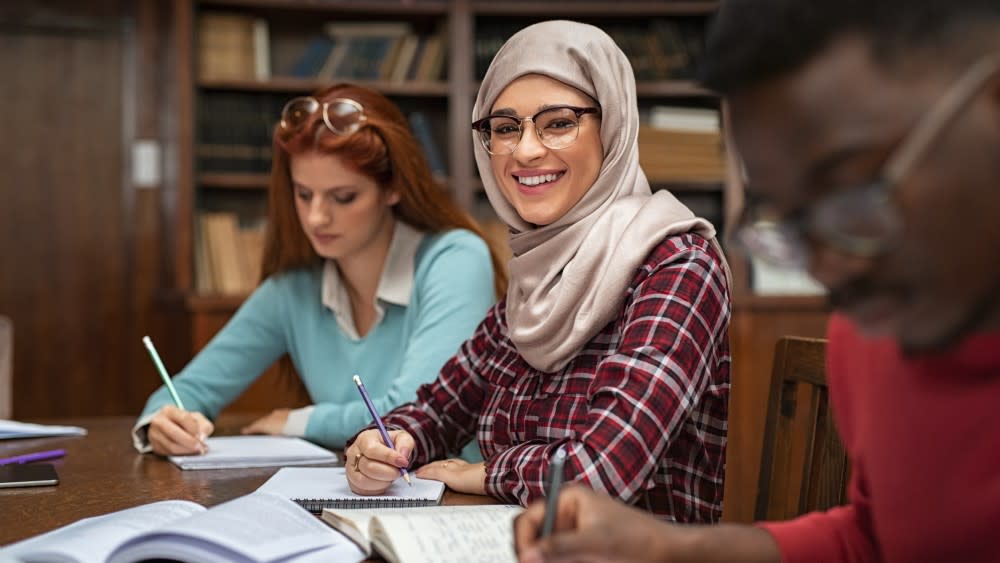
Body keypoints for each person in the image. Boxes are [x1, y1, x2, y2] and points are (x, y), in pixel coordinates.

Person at [513, 1, 1000, 562]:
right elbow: (876, 538)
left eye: (851, 192)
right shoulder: (869, 336)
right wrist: (670, 548)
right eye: (789, 222)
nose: (828, 270)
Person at [345, 20, 732, 523]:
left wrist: (486, 473)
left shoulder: (677, 267)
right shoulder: (536, 276)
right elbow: (440, 409)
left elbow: (603, 474)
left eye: (558, 122)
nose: (525, 150)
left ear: (612, 124)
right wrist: (386, 442)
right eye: (505, 128)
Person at [133, 83, 507, 457]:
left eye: (343, 197)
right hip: (352, 496)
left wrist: (298, 422)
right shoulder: (292, 290)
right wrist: (163, 422)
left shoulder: (456, 259)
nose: (316, 217)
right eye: (304, 194)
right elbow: (190, 390)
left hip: (453, 501)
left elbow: (416, 412)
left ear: (393, 188)